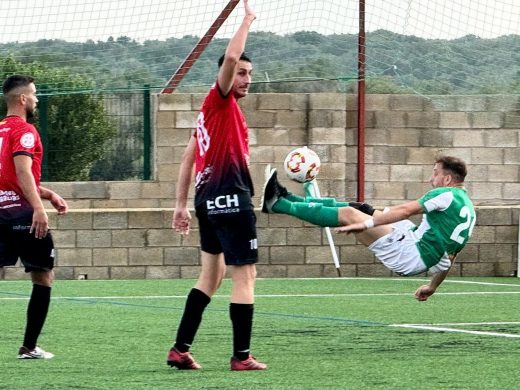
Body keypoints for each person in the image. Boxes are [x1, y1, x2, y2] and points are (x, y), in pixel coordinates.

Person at [166, 0, 266, 371]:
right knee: (246, 273)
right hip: (229, 196)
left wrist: (181, 205)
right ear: (227, 77)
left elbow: (188, 158)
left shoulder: (209, 116)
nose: (245, 78)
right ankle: (241, 357)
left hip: (207, 198)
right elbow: (227, 58)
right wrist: (248, 20)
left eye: (249, 73)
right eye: (241, 73)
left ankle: (180, 348)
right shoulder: (219, 100)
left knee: (212, 275)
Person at [261, 155, 475, 301]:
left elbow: (405, 210)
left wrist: (367, 224)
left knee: (349, 215)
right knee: (360, 207)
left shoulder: (444, 194)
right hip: (415, 243)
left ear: (447, 179)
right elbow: (451, 256)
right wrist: (432, 287)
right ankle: (288, 196)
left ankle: (279, 204)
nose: (431, 179)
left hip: (411, 253)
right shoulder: (467, 208)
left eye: (435, 173)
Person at [0, 74, 69, 359]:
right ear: (23, 99)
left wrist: (48, 194)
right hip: (23, 216)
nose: (37, 99)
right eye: (35, 94)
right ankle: (29, 347)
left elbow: (8, 177)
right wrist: (39, 208)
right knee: (43, 277)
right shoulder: (24, 130)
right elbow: (22, 171)